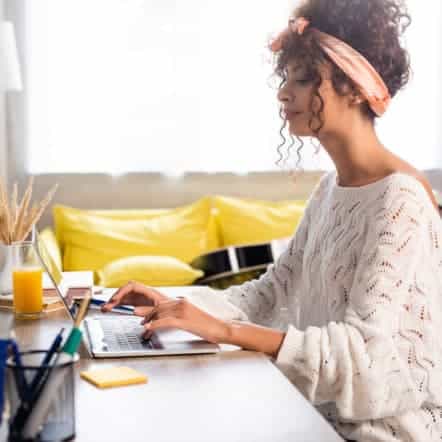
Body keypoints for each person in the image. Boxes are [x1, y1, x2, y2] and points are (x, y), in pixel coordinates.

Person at [102, 0, 442, 440]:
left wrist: (225, 330)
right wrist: (174, 304)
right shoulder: (330, 190)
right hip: (314, 417)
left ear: (357, 88)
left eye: (303, 79)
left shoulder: (401, 201)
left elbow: (364, 354)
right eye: (285, 77)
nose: (284, 92)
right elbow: (273, 290)